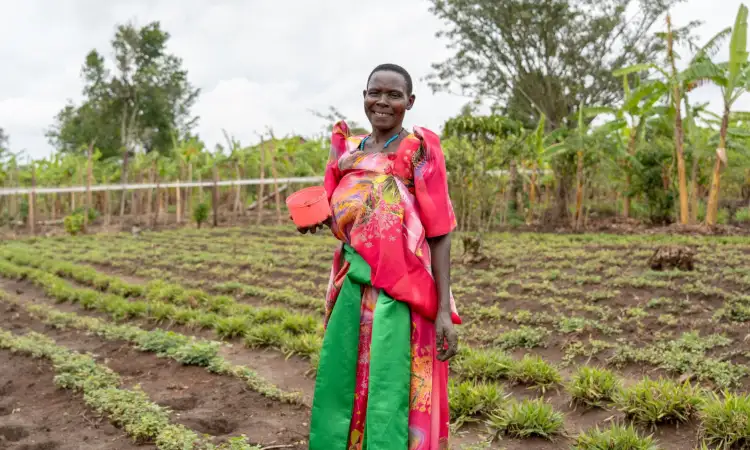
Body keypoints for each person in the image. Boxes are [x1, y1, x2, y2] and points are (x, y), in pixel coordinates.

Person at [299, 63, 460, 450]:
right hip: (354, 289)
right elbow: (354, 220)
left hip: (407, 293)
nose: (383, 102)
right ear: (365, 96)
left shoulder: (418, 151)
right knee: (351, 381)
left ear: (410, 102)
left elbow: (439, 233)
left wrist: (442, 310)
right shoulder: (349, 155)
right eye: (375, 93)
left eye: (394, 95)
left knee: (398, 384)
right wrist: (319, 219)